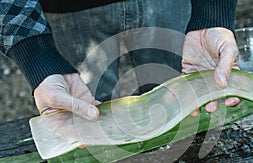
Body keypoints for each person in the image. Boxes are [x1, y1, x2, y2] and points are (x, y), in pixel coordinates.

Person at [0, 0, 240, 121]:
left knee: (187, 104)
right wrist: (37, 55)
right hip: (67, 12)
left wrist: (212, 12)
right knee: (87, 112)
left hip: (170, 4)